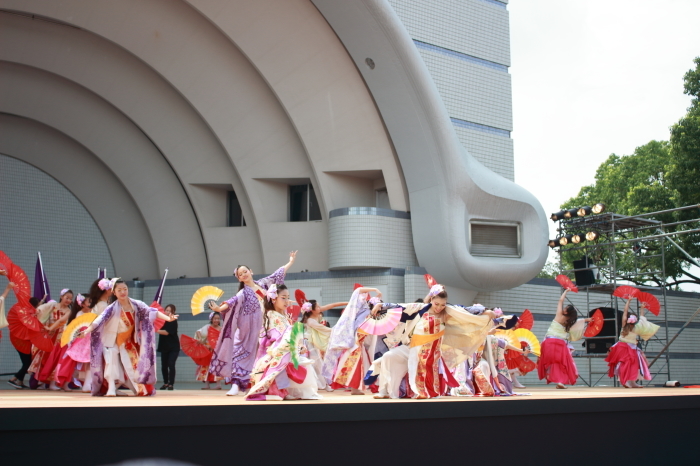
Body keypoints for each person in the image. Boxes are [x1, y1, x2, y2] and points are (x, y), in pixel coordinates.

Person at [369, 285, 495, 399]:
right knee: (388, 356)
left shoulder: (449, 311)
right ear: (431, 300)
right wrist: (381, 305)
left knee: (424, 366)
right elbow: (401, 307)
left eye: (442, 304)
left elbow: (466, 310)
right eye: (436, 304)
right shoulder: (420, 308)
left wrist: (485, 311)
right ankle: (385, 391)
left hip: (430, 353)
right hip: (411, 347)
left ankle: (423, 392)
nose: (439, 307)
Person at [208, 251, 297, 396]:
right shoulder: (243, 293)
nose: (243, 274)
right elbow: (231, 302)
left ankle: (263, 385)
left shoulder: (262, 284)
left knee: (267, 355)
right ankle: (236, 385)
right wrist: (219, 308)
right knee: (241, 355)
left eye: (245, 271)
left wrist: (290, 262)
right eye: (240, 274)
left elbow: (276, 275)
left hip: (267, 326)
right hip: (248, 329)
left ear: (251, 271)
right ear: (239, 279)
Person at [81, 279, 178, 396]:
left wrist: (168, 318)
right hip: (111, 341)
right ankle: (111, 388)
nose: (123, 292)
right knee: (110, 361)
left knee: (134, 365)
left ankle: (138, 388)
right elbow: (99, 320)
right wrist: (87, 330)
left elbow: (152, 311)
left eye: (125, 289)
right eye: (119, 290)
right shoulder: (111, 308)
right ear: (114, 292)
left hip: (128, 341)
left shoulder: (137, 304)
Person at [246, 284, 321, 400]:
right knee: (286, 360)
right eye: (283, 297)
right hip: (276, 350)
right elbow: (279, 335)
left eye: (288, 297)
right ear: (274, 298)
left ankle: (284, 391)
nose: (287, 301)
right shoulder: (272, 314)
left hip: (284, 348)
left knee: (301, 362)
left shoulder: (283, 315)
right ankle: (278, 391)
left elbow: (288, 335)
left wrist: (299, 345)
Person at [321, 286, 383, 395]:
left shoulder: (367, 313)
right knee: (356, 367)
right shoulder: (363, 311)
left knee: (359, 367)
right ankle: (355, 388)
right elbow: (357, 291)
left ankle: (356, 388)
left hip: (358, 343)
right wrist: (374, 289)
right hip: (356, 342)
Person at [537, 289, 593, 389]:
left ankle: (556, 379)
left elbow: (560, 301)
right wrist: (586, 320)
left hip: (549, 342)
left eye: (566, 308)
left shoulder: (559, 316)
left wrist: (566, 291)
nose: (564, 308)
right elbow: (578, 323)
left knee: (551, 362)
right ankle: (560, 381)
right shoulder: (570, 321)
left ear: (566, 311)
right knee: (561, 363)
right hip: (560, 343)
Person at [605, 299, 659, 388]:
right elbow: (642, 318)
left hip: (623, 347)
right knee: (632, 364)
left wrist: (628, 301)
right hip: (629, 347)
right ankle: (627, 381)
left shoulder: (624, 325)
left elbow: (625, 312)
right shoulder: (637, 328)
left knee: (626, 364)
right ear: (635, 321)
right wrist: (642, 308)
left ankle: (630, 382)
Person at [30, 288, 73, 390]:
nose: (68, 300)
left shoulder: (69, 311)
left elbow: (61, 322)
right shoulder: (53, 305)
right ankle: (40, 380)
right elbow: (42, 308)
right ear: (61, 297)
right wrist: (38, 311)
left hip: (59, 337)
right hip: (48, 335)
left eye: (70, 299)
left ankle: (52, 383)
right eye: (66, 297)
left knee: (55, 359)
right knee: (43, 358)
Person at [300, 298, 347, 391]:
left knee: (316, 364)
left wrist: (348, 303)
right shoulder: (310, 321)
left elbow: (332, 305)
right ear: (312, 310)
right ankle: (323, 385)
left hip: (313, 343)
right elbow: (325, 329)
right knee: (317, 364)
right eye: (317, 306)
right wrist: (338, 331)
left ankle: (320, 385)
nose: (320, 307)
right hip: (308, 344)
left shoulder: (315, 314)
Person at [194, 313, 223, 389]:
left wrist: (214, 346)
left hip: (217, 350)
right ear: (211, 319)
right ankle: (207, 385)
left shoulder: (221, 329)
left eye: (218, 318)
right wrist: (200, 339)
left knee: (217, 367)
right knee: (205, 366)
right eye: (215, 318)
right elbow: (198, 331)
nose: (216, 320)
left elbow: (222, 340)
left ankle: (218, 384)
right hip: (207, 349)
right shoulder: (207, 327)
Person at [157, 304, 180, 390]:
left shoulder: (173, 320)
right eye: (166, 310)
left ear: (173, 312)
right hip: (164, 346)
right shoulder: (161, 320)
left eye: (170, 311)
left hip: (173, 347)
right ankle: (165, 382)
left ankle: (171, 384)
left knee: (171, 363)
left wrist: (155, 330)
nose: (167, 312)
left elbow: (166, 332)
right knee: (164, 365)